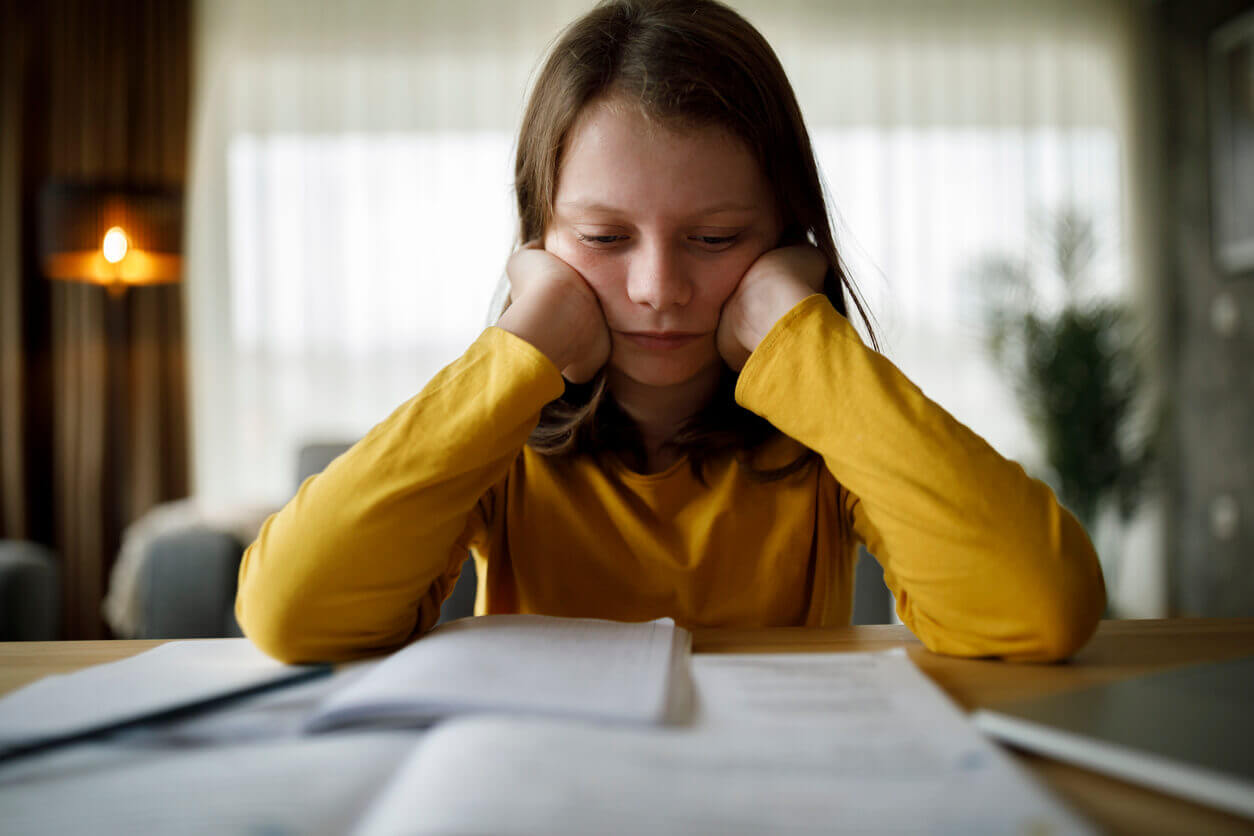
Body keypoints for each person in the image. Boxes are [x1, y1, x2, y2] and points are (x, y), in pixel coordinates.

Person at [235, 0, 1105, 665]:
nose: (658, 290)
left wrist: (803, 343)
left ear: (784, 238)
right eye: (605, 239)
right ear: (536, 243)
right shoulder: (501, 433)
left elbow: (1041, 606)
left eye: (716, 239)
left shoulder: (827, 430)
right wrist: (517, 350)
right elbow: (290, 610)